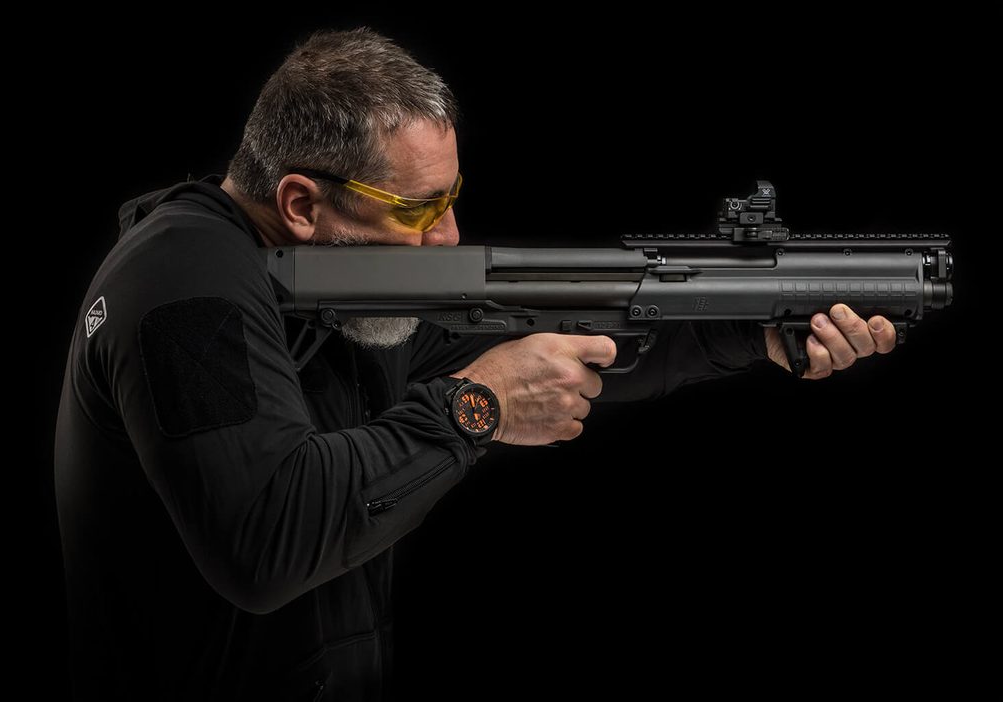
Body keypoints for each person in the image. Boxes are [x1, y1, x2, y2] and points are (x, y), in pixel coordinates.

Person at [54, 28, 898, 701]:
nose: (448, 238)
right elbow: (268, 538)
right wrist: (478, 406)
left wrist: (753, 330)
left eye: (451, 200)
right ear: (302, 204)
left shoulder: (333, 289)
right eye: (418, 210)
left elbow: (551, 345)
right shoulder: (180, 287)